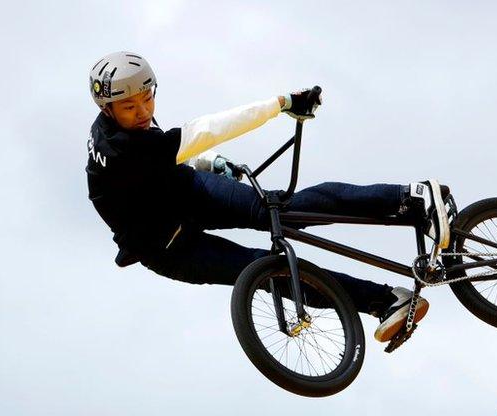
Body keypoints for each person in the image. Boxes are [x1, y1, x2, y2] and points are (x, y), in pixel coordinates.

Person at [85, 51, 451, 343]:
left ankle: (411, 198)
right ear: (107, 109)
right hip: (165, 249)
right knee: (270, 275)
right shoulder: (120, 148)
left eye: (147, 99)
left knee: (283, 211)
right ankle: (385, 300)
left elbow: (160, 160)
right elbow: (205, 131)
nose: (144, 112)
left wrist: (207, 163)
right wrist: (281, 103)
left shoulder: (126, 131)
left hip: (186, 193)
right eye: (130, 107)